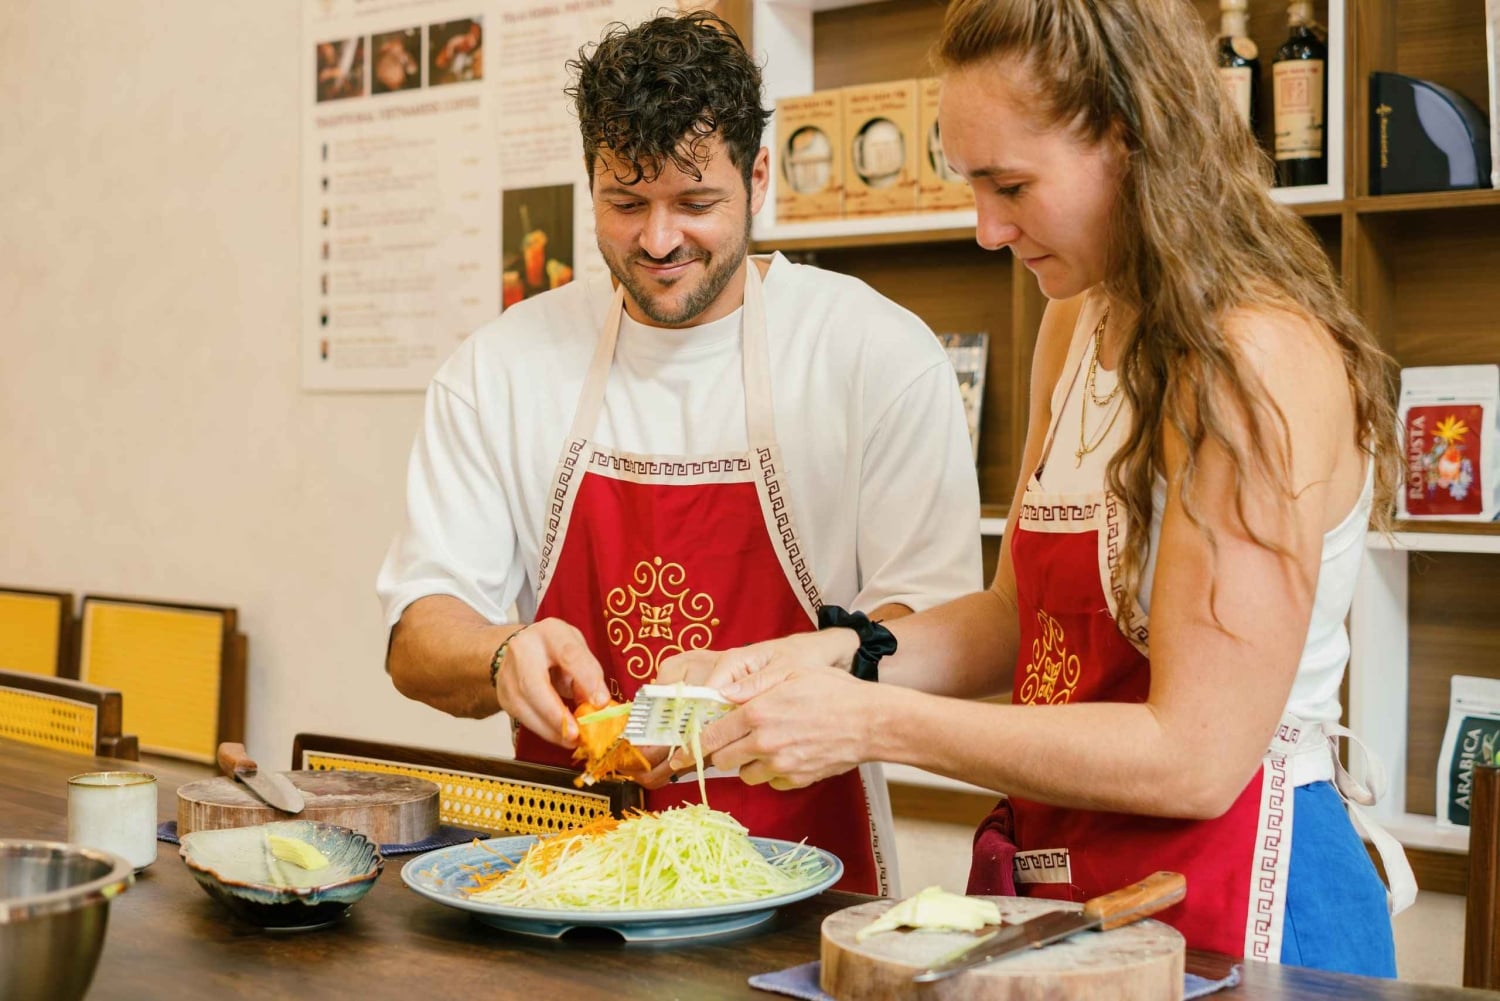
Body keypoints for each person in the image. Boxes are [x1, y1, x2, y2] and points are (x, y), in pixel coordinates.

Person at [654, 0, 1415, 975]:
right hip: (1087, 893)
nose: (984, 227)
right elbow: (1019, 618)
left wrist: (870, 721)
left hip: (1254, 910)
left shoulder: (1250, 362)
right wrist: (813, 658)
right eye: (970, 181)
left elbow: (1196, 753)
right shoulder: (1080, 320)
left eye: (1011, 183)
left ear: (1134, 140)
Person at [376, 11, 982, 895]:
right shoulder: (500, 368)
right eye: (626, 204)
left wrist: (787, 672)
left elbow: (937, 632)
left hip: (807, 875)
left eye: (695, 203)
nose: (658, 241)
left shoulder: (872, 354)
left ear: (760, 177)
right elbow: (418, 636)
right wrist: (503, 654)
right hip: (560, 873)